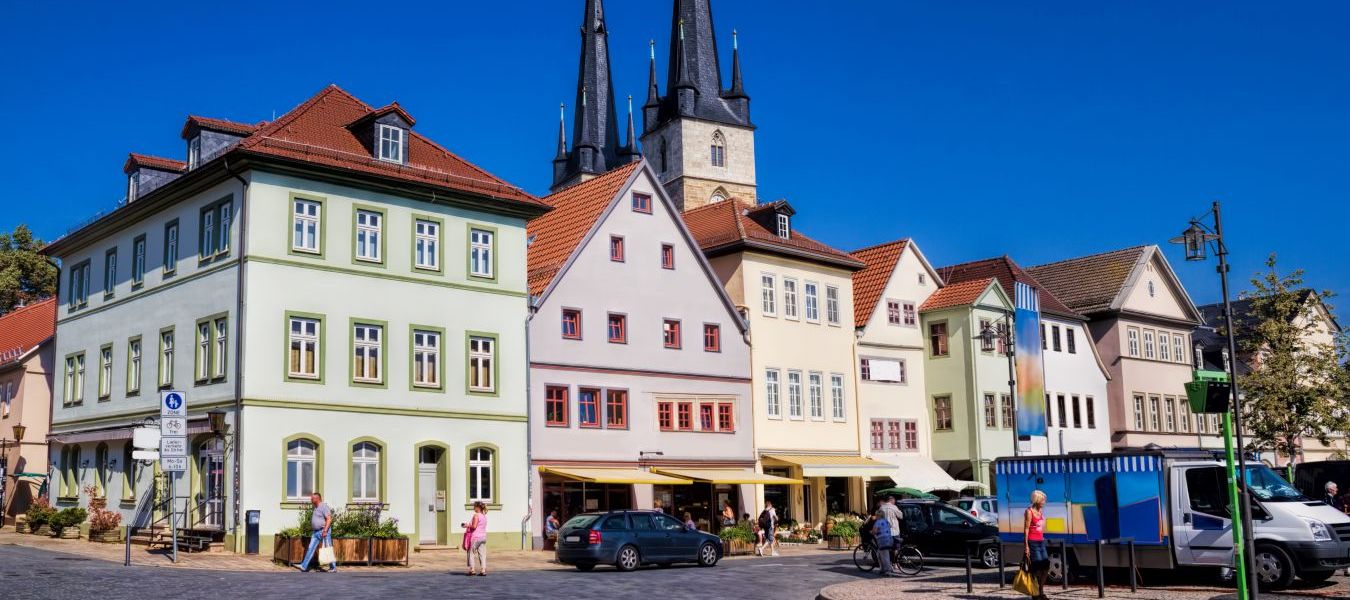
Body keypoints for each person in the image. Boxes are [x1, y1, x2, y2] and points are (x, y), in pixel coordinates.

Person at [297, 493, 335, 573]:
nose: (311, 500)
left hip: (323, 531)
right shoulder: (315, 507)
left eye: (312, 498)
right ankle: (304, 566)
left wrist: (325, 530)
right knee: (310, 548)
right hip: (316, 532)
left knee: (328, 548)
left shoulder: (323, 506)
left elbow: (329, 519)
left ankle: (333, 567)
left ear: (317, 499)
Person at [1024, 490, 1050, 600]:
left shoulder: (1040, 511)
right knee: (1037, 568)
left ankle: (1041, 591)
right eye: (1043, 500)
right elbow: (1026, 529)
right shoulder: (1029, 511)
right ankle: (1035, 594)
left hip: (1041, 542)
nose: (1044, 502)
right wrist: (1026, 546)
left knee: (1046, 565)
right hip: (1033, 542)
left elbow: (1040, 526)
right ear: (1037, 500)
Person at [462, 501, 489, 576]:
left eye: (474, 506)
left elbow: (474, 526)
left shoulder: (476, 516)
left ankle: (472, 570)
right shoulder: (484, 516)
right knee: (482, 554)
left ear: (478, 507)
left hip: (475, 537)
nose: (473, 508)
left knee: (471, 553)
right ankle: (483, 570)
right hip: (483, 537)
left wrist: (467, 525)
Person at [873, 508, 896, 577]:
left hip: (882, 540)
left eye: (876, 515)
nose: (875, 516)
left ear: (878, 516)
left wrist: (872, 532)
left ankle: (888, 571)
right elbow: (890, 526)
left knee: (885, 556)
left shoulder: (877, 522)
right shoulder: (886, 521)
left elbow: (875, 531)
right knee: (879, 554)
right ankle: (882, 569)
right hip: (889, 539)